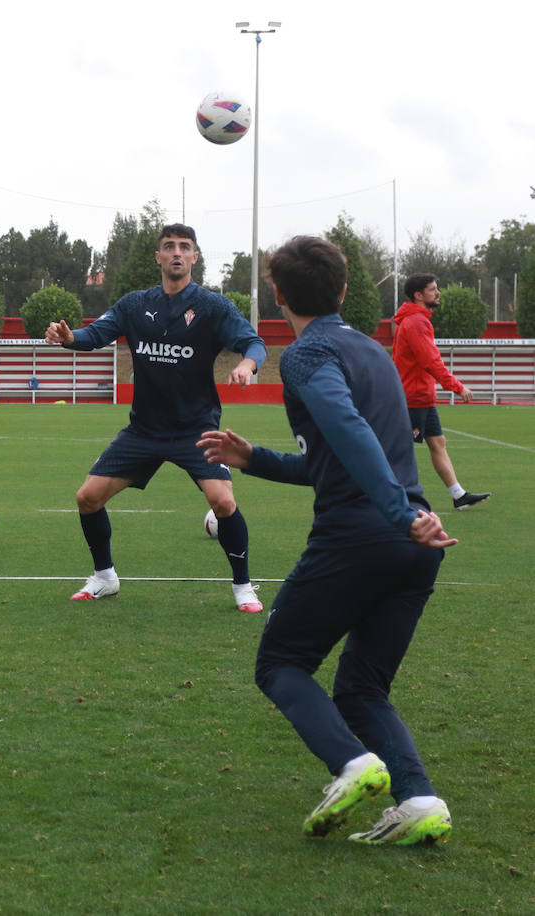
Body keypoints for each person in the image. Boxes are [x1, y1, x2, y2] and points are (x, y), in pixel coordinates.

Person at [199, 235, 455, 846]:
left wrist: (396, 510)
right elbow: (332, 456)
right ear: (343, 290)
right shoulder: (371, 349)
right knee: (363, 687)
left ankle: (353, 763)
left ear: (279, 297)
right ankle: (419, 800)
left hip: (366, 535)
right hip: (414, 548)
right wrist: (253, 458)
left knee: (281, 663)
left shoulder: (307, 356)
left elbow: (348, 429)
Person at [43, 224, 267, 612]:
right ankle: (104, 577)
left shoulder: (212, 307)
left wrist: (248, 364)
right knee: (87, 498)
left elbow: (254, 342)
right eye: (169, 247)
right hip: (144, 430)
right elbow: (96, 334)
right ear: (158, 258)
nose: (177, 253)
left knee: (223, 503)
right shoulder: (134, 305)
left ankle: (243, 586)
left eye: (185, 247)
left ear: (195, 257)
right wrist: (69, 338)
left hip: (195, 429)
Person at [392, 274, 490, 510]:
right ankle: (387, 499)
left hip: (421, 396)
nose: (438, 293)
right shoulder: (416, 322)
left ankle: (458, 496)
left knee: (438, 443)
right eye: (433, 289)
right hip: (413, 397)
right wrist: (458, 387)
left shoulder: (417, 319)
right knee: (398, 450)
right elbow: (430, 362)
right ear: (418, 295)